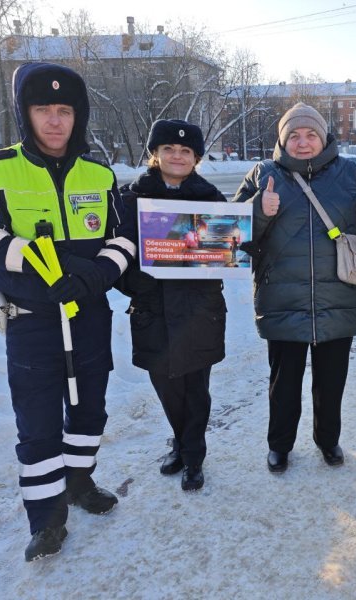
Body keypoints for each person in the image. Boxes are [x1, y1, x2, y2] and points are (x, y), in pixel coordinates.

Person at [0, 62, 137, 561]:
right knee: (37, 423)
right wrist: (45, 266)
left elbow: (123, 237)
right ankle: (46, 520)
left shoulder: (99, 173)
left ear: (78, 116)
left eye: (65, 110)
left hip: (89, 316)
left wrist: (97, 274)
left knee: (89, 410)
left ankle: (80, 483)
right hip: (31, 319)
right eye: (43, 109)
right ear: (26, 113)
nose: (55, 120)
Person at [234, 102, 356, 473]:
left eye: (310, 135)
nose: (303, 142)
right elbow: (232, 237)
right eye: (294, 135)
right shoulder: (263, 174)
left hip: (339, 293)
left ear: (323, 139)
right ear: (282, 140)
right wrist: (258, 210)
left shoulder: (348, 173)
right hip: (281, 297)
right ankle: (280, 446)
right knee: (284, 383)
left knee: (331, 381)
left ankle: (328, 440)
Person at [116, 119, 227, 492]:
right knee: (167, 387)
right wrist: (135, 282)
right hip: (153, 311)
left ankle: (193, 457)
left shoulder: (210, 198)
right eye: (168, 149)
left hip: (200, 311)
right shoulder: (130, 199)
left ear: (196, 158)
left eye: (185, 151)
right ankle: (180, 442)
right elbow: (116, 254)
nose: (177, 156)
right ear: (155, 154)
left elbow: (230, 249)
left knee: (196, 389)